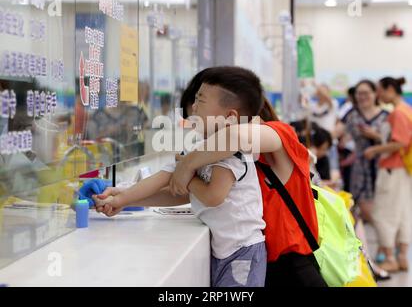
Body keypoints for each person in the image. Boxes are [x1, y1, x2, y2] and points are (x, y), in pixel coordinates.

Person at [94, 66, 268, 287]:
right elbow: (162, 178)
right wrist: (120, 199)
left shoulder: (231, 153)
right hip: (225, 250)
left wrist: (187, 175)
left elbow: (213, 195)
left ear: (229, 117)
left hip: (243, 252)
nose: (193, 107)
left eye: (201, 101)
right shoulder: (198, 149)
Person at [169, 90, 327, 287]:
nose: (197, 126)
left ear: (232, 115)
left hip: (292, 269)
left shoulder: (278, 134)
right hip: (262, 264)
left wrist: (186, 166)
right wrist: (125, 198)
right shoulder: (230, 157)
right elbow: (183, 190)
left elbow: (236, 137)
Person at [364, 77, 412, 273]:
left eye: (380, 91)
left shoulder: (397, 113)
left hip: (392, 168)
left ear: (390, 89)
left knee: (383, 213)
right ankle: (401, 257)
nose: (378, 95)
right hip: (403, 170)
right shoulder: (407, 110)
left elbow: (400, 142)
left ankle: (390, 257)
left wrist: (374, 150)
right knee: (402, 213)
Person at [334, 80, 388, 223]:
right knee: (363, 206)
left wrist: (375, 136)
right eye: (359, 93)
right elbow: (335, 131)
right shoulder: (352, 114)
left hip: (383, 165)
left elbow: (396, 142)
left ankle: (384, 241)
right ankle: (378, 239)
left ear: (375, 94)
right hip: (360, 168)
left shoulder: (386, 116)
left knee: (383, 205)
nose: (362, 97)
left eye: (366, 93)